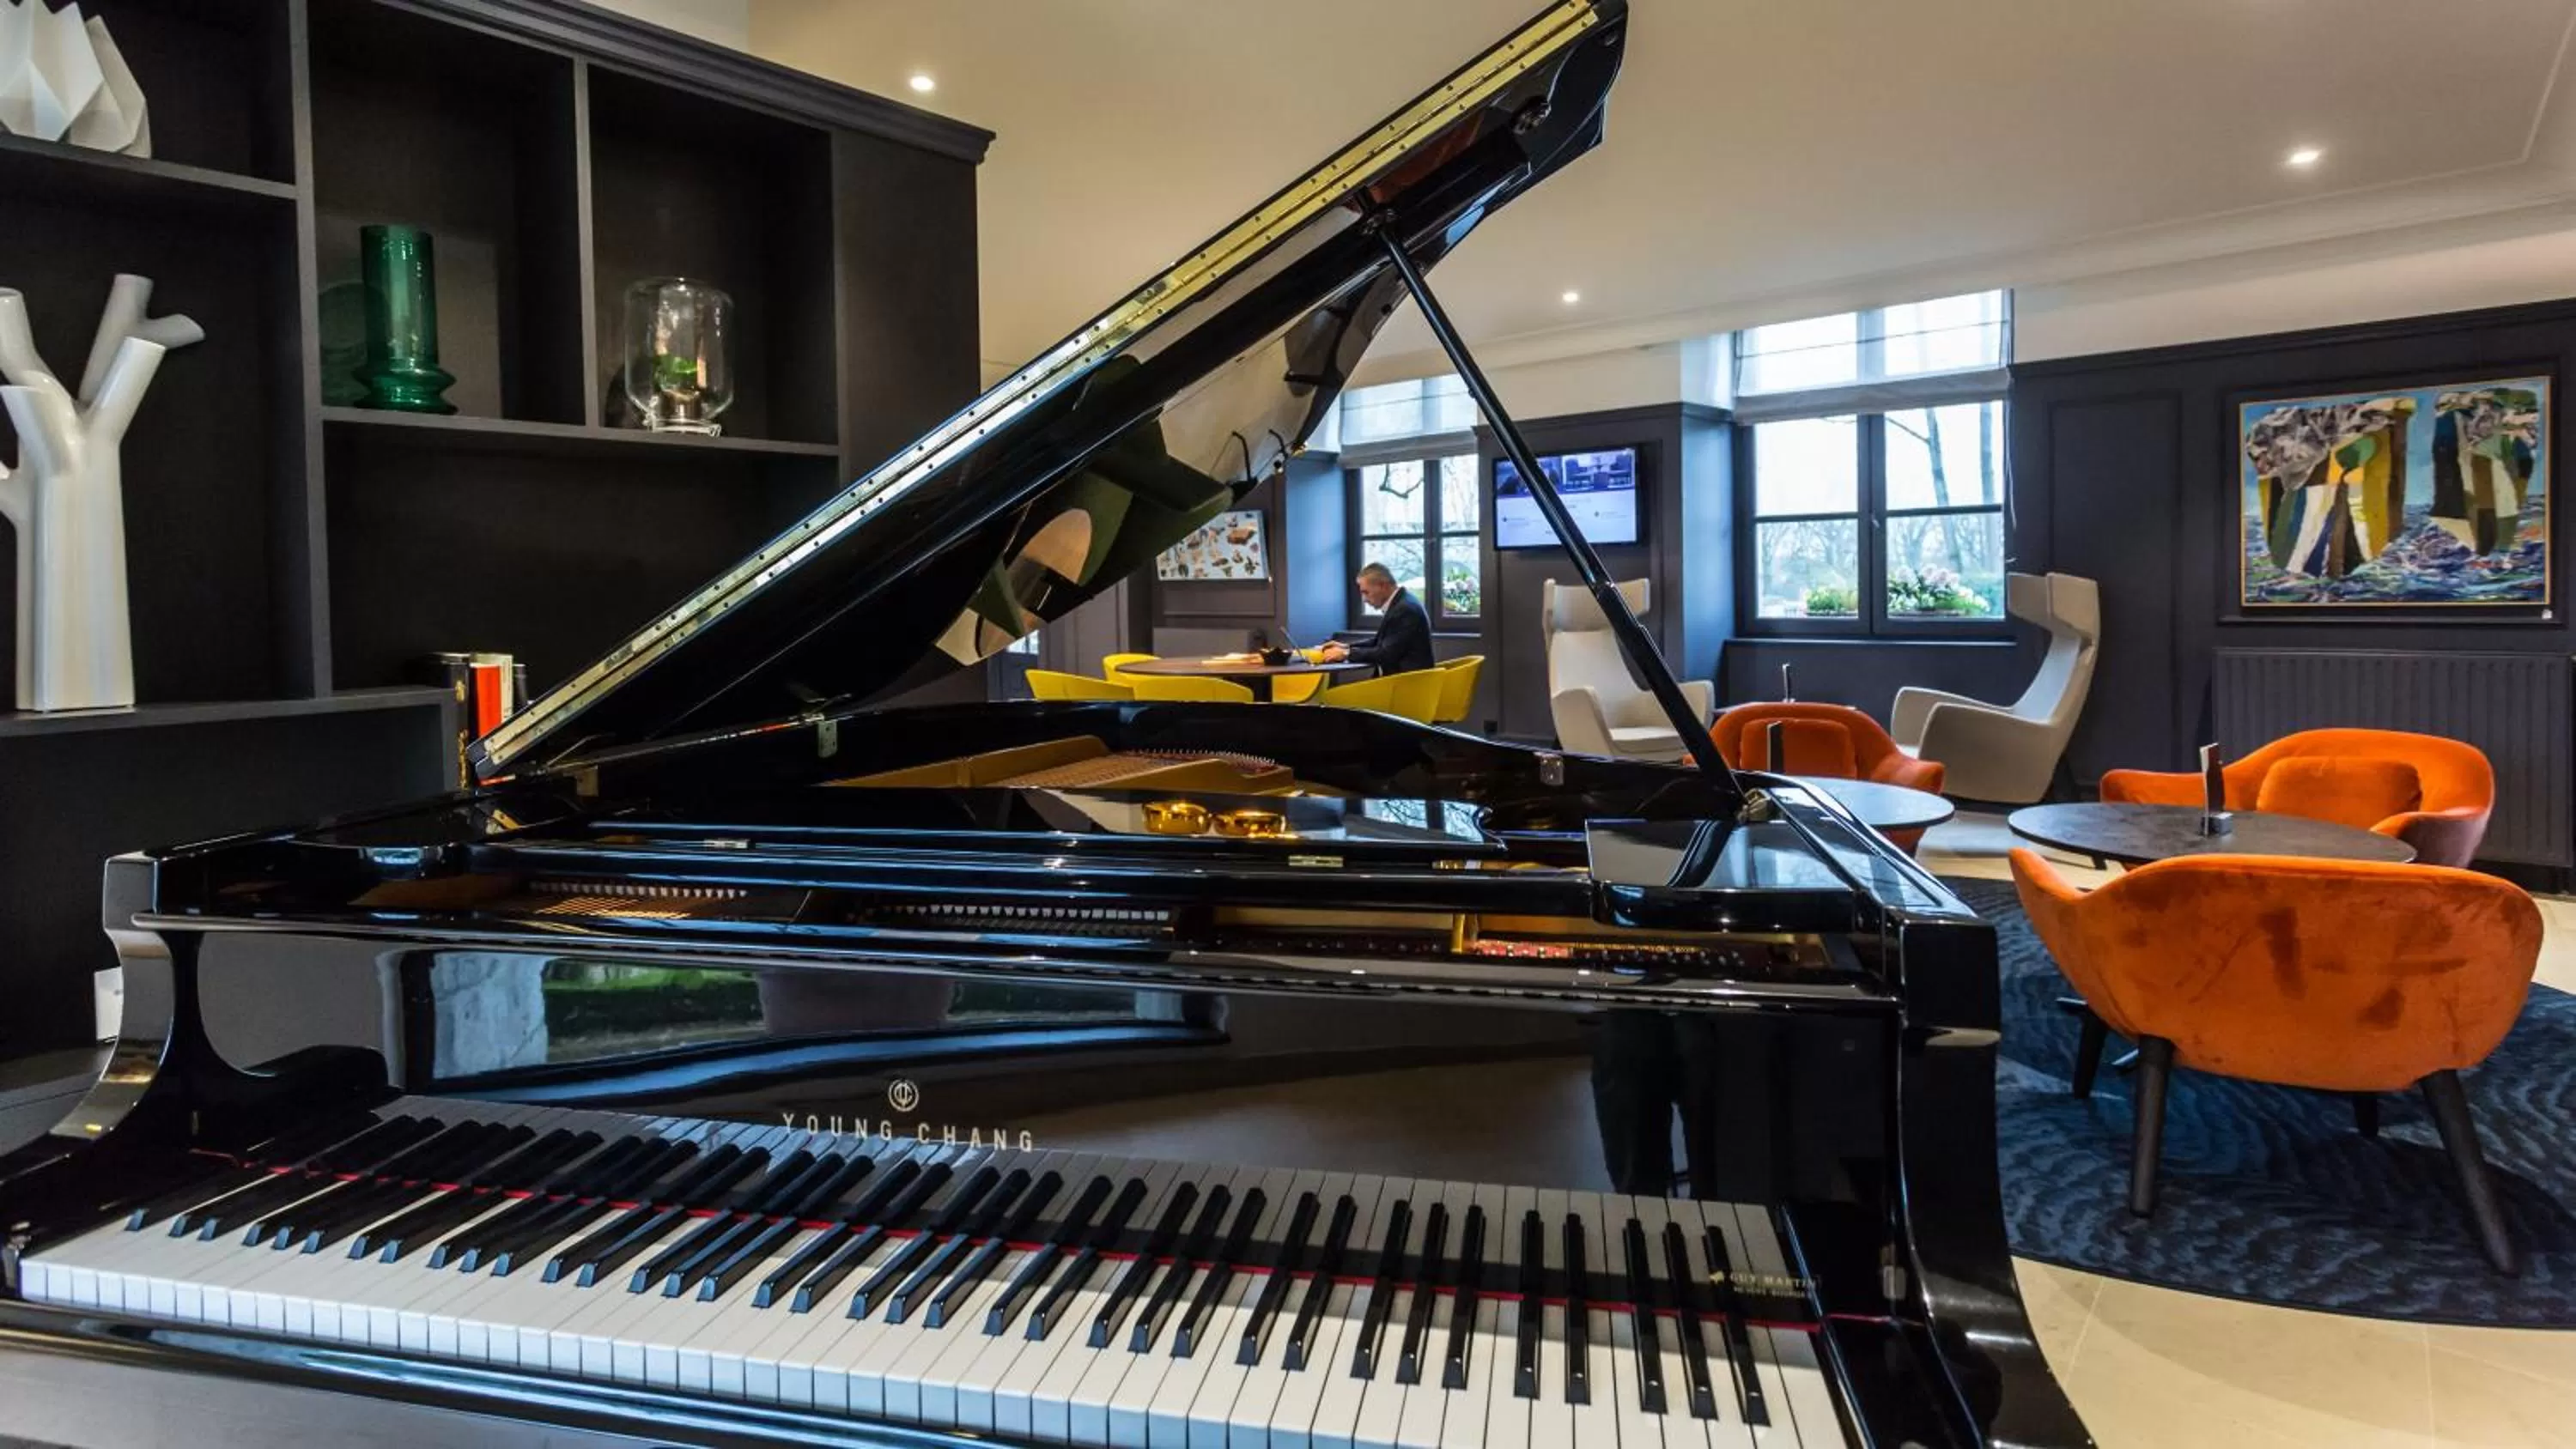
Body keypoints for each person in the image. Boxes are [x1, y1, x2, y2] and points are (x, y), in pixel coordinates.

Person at [1319, 561, 1436, 676]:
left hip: (1408, 685)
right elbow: (1379, 642)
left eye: (1366, 592)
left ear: (1383, 586)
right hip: (1402, 680)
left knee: (1335, 695)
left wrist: (1346, 654)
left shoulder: (1404, 610)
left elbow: (1386, 654)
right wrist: (1347, 647)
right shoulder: (1403, 603)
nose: (1364, 599)